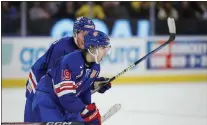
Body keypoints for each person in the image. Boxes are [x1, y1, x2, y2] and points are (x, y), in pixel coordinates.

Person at [24, 17, 111, 122]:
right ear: (75, 33)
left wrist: (93, 83)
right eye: (83, 34)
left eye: (89, 34)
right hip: (37, 84)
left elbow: (75, 79)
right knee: (35, 118)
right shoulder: (62, 48)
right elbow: (56, 80)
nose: (86, 38)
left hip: (57, 91)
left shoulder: (89, 54)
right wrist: (82, 110)